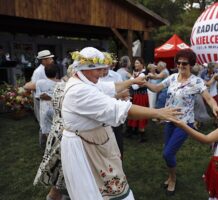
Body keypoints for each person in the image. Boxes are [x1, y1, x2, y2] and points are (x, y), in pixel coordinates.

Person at [60, 47, 181, 200]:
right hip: (85, 147)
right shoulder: (80, 90)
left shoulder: (84, 80)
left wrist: (133, 81)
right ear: (84, 68)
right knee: (95, 190)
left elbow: (109, 87)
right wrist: (158, 112)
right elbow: (121, 109)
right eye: (98, 69)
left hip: (91, 141)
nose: (102, 73)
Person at [144, 49, 218, 195]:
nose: (180, 65)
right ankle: (170, 176)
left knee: (167, 153)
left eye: (184, 63)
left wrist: (215, 106)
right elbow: (156, 88)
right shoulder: (172, 77)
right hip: (170, 121)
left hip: (185, 124)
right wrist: (144, 83)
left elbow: (208, 98)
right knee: (168, 153)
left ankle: (172, 179)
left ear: (191, 64)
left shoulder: (196, 81)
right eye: (178, 62)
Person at [33, 65, 75, 200]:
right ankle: (58, 195)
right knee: (63, 169)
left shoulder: (59, 85)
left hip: (57, 129)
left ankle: (61, 194)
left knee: (61, 169)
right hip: (65, 132)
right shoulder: (67, 88)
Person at [29, 50, 55, 146]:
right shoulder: (38, 71)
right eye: (50, 58)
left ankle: (50, 142)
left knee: (49, 120)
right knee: (43, 121)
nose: (52, 60)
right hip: (40, 98)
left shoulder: (47, 68)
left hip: (48, 99)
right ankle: (44, 144)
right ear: (43, 60)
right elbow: (34, 86)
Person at [127, 58, 149, 142]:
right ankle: (136, 131)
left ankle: (142, 136)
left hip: (141, 96)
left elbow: (135, 87)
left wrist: (131, 77)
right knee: (136, 113)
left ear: (142, 64)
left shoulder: (143, 74)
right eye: (135, 63)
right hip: (138, 95)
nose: (135, 65)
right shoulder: (140, 73)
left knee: (140, 113)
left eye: (137, 63)